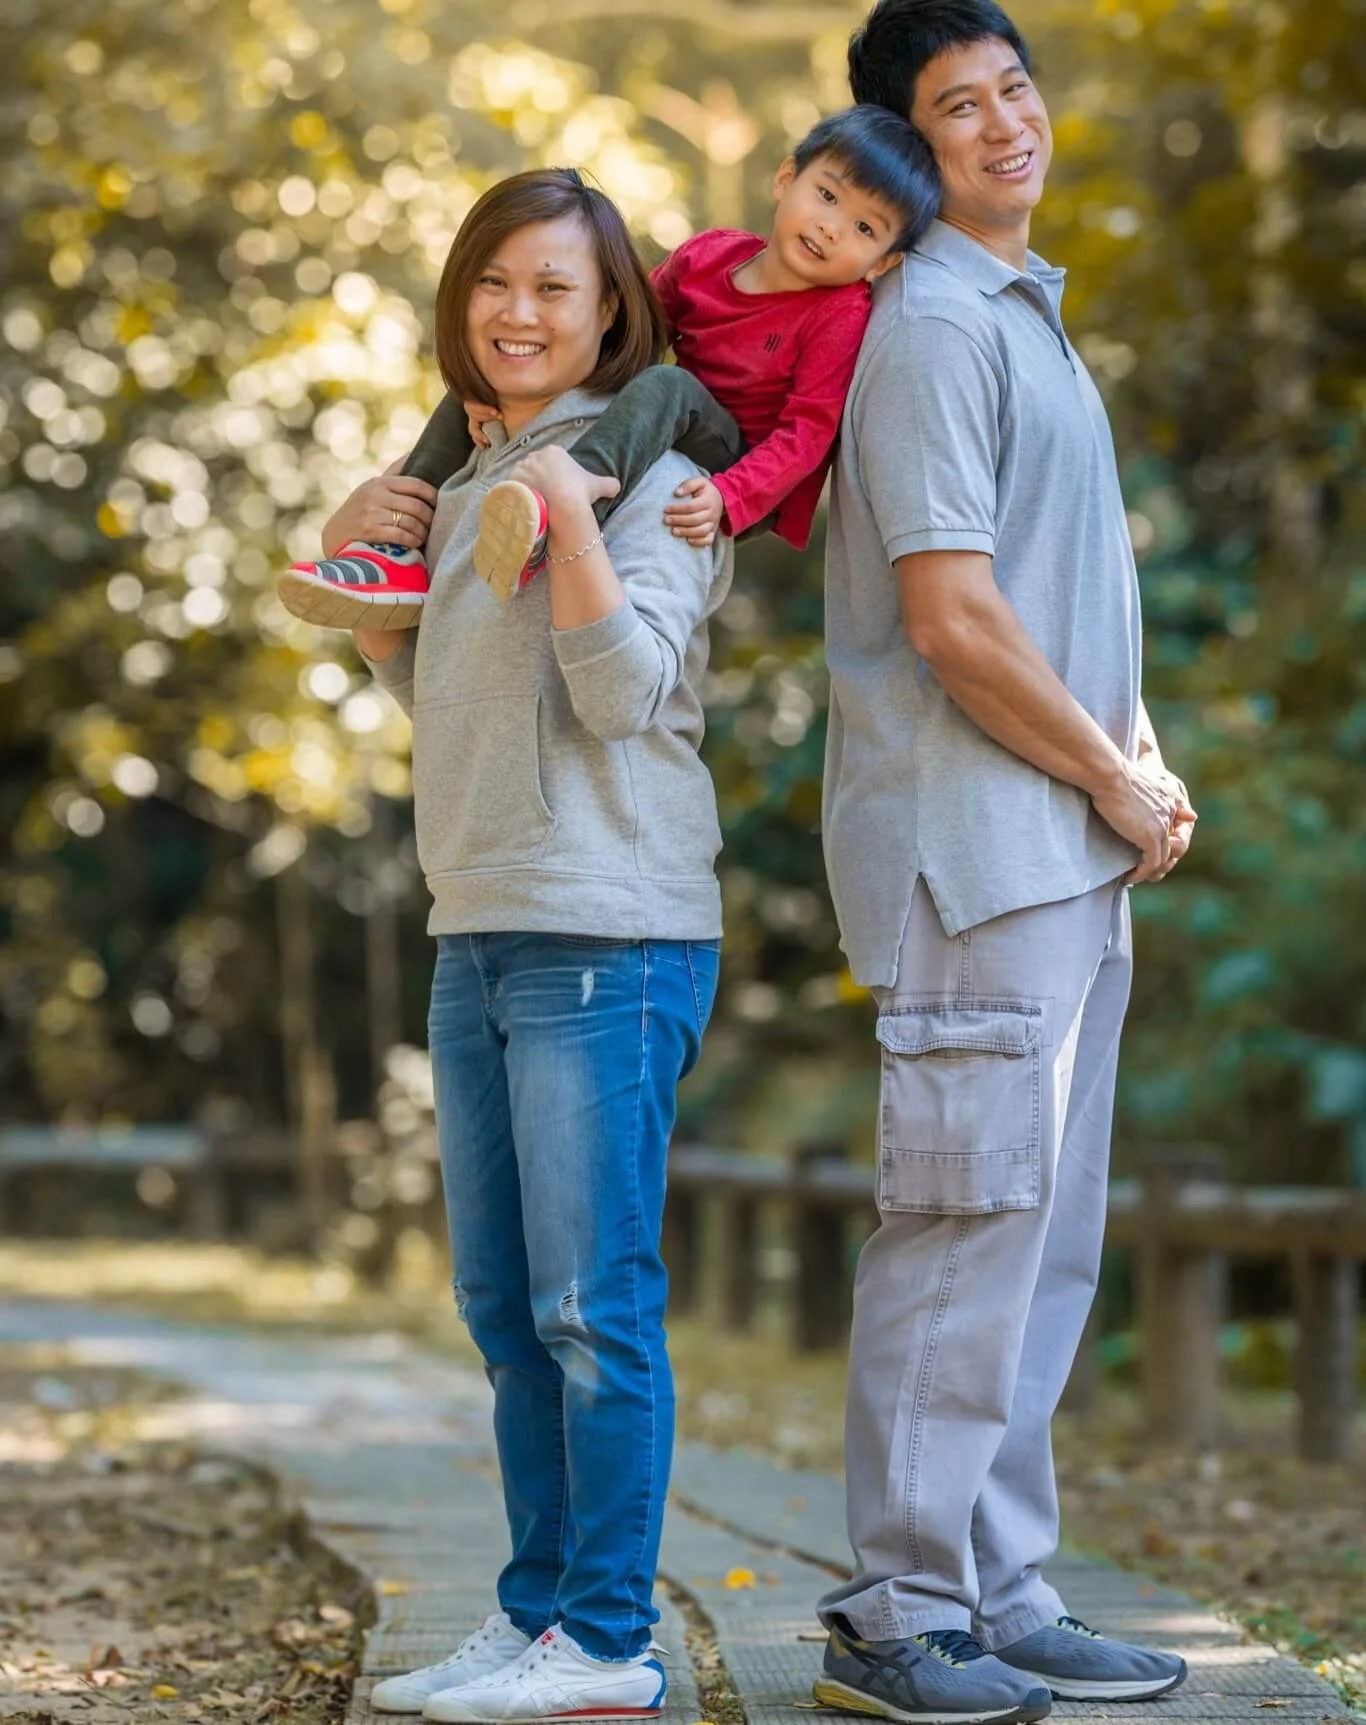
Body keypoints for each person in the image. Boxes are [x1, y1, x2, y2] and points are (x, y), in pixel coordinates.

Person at [812, 4, 1197, 1722]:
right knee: (961, 1232)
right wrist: (1108, 778)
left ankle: (996, 1591)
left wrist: (1137, 760)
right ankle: (895, 1613)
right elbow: (953, 624)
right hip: (973, 859)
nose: (1002, 122)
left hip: (1064, 853)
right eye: (955, 106)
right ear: (908, 147)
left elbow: (1057, 599)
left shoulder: (1025, 319)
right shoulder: (927, 329)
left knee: (1039, 1251)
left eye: (1013, 87)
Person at [322, 168, 731, 1723]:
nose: (517, 311)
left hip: (608, 931)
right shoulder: (466, 469)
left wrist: (565, 514)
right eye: (493, 281)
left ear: (608, 307)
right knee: (504, 1312)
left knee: (589, 1310)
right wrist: (360, 567)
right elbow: (440, 700)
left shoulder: (659, 468)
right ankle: (535, 1616)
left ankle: (609, 1642)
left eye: (554, 285)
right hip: (478, 924)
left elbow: (621, 692)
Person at [277, 106, 939, 623]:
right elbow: (629, 328)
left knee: (671, 384)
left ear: (882, 262)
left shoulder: (838, 314)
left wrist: (731, 497)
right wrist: (510, 390)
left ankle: (557, 510)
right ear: (787, 178)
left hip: (734, 463)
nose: (831, 227)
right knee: (501, 366)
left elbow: (808, 434)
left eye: (865, 228)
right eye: (827, 196)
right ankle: (391, 552)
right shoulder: (711, 253)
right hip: (657, 414)